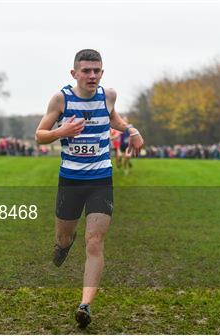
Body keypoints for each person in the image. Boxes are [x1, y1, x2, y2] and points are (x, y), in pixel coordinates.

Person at [35, 49, 143, 328]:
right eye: (86, 71)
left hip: (100, 179)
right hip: (70, 180)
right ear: (74, 74)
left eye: (96, 71)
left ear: (102, 73)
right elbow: (40, 136)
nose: (92, 76)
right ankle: (63, 244)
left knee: (94, 242)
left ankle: (85, 305)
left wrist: (131, 130)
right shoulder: (61, 99)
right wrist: (61, 132)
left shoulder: (108, 96)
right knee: (64, 236)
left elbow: (114, 119)